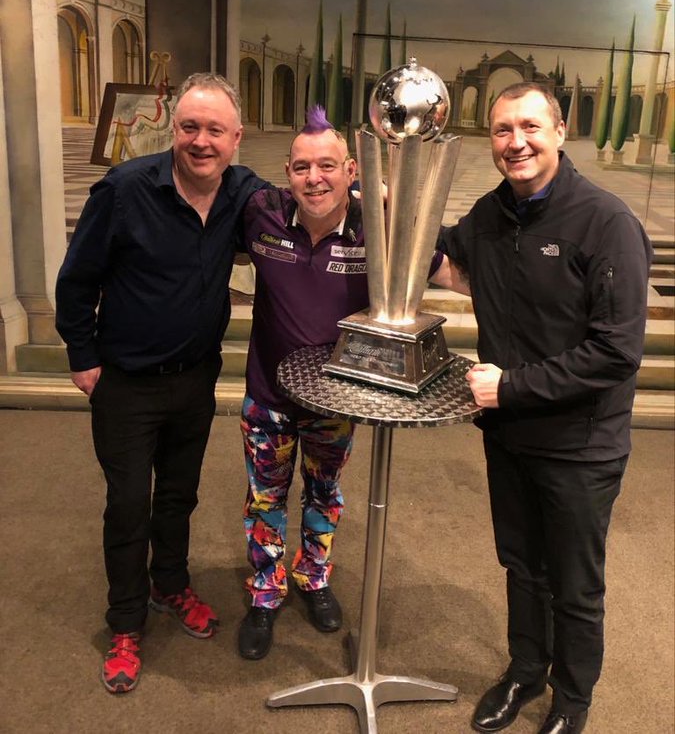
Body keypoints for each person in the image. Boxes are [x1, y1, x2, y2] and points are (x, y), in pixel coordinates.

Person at [434, 82, 652, 734]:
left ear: (558, 131)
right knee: (521, 566)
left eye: (529, 126)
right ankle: (524, 671)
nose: (515, 142)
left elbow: (616, 354)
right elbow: (443, 250)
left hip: (579, 445)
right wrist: (389, 203)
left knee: (574, 584)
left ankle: (571, 698)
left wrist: (509, 388)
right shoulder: (490, 215)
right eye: (502, 130)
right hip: (510, 437)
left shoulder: (606, 223)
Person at [55, 72, 267, 693]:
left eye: (215, 130)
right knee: (128, 503)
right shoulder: (124, 189)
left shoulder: (243, 195)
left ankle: (170, 584)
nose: (201, 141)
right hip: (124, 381)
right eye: (190, 127)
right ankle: (124, 622)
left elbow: (299, 211)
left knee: (180, 494)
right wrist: (81, 354)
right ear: (174, 128)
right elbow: (77, 278)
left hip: (195, 379)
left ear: (236, 139)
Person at [236, 106, 444, 660]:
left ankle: (314, 577)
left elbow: (442, 263)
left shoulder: (376, 229)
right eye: (302, 167)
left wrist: (393, 201)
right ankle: (265, 590)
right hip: (268, 398)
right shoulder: (263, 215)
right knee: (266, 498)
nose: (314, 178)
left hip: (338, 397)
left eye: (327, 165)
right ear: (287, 172)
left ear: (352, 170)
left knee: (324, 494)